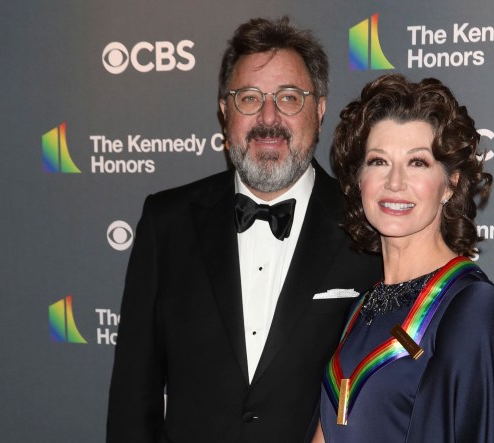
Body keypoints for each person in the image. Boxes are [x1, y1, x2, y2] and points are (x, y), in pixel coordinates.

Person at [106, 17, 381, 443]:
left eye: (289, 97)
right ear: (224, 111)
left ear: (320, 110)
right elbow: (132, 400)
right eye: (249, 98)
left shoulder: (368, 227)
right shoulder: (167, 222)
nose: (268, 118)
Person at [314, 74, 494, 442]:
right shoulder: (360, 307)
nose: (394, 182)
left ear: (450, 183)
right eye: (378, 161)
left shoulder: (468, 304)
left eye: (417, 163)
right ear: (359, 180)